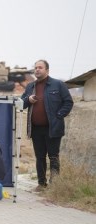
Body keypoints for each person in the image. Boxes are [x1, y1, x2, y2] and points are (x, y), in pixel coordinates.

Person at [21, 60, 73, 192]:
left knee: (53, 156)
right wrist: (28, 100)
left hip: (52, 128)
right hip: (36, 128)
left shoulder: (58, 84)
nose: (37, 70)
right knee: (40, 156)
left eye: (40, 67)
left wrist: (59, 115)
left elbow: (68, 102)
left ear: (47, 70)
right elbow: (20, 103)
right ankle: (41, 184)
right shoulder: (30, 86)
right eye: (36, 68)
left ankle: (54, 185)